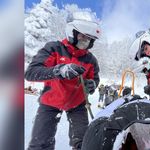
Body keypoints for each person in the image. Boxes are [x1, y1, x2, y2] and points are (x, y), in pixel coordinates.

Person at [25, 12, 101, 150]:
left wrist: (93, 84)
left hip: (78, 104)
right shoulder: (54, 48)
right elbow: (31, 72)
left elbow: (95, 78)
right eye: (82, 36)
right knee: (40, 143)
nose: (85, 41)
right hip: (51, 101)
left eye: (89, 39)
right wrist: (59, 71)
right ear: (72, 34)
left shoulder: (91, 60)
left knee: (84, 143)